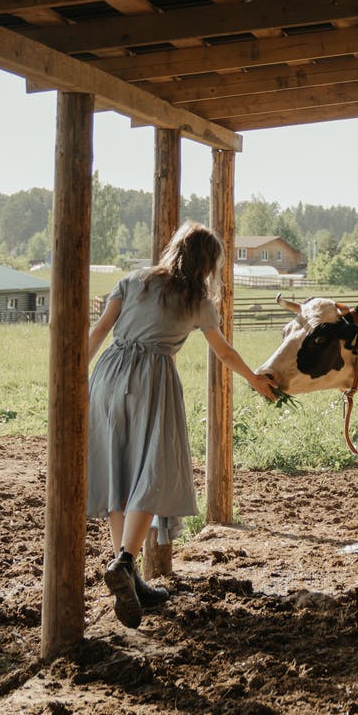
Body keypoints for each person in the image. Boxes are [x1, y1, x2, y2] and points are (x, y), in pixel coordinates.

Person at [84, 220, 276, 629]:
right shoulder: (198, 302)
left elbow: (99, 330)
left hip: (109, 375)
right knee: (153, 472)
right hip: (152, 380)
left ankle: (129, 578)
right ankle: (125, 562)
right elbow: (223, 353)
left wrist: (68, 375)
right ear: (208, 265)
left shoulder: (132, 281)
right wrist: (255, 381)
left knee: (118, 472)